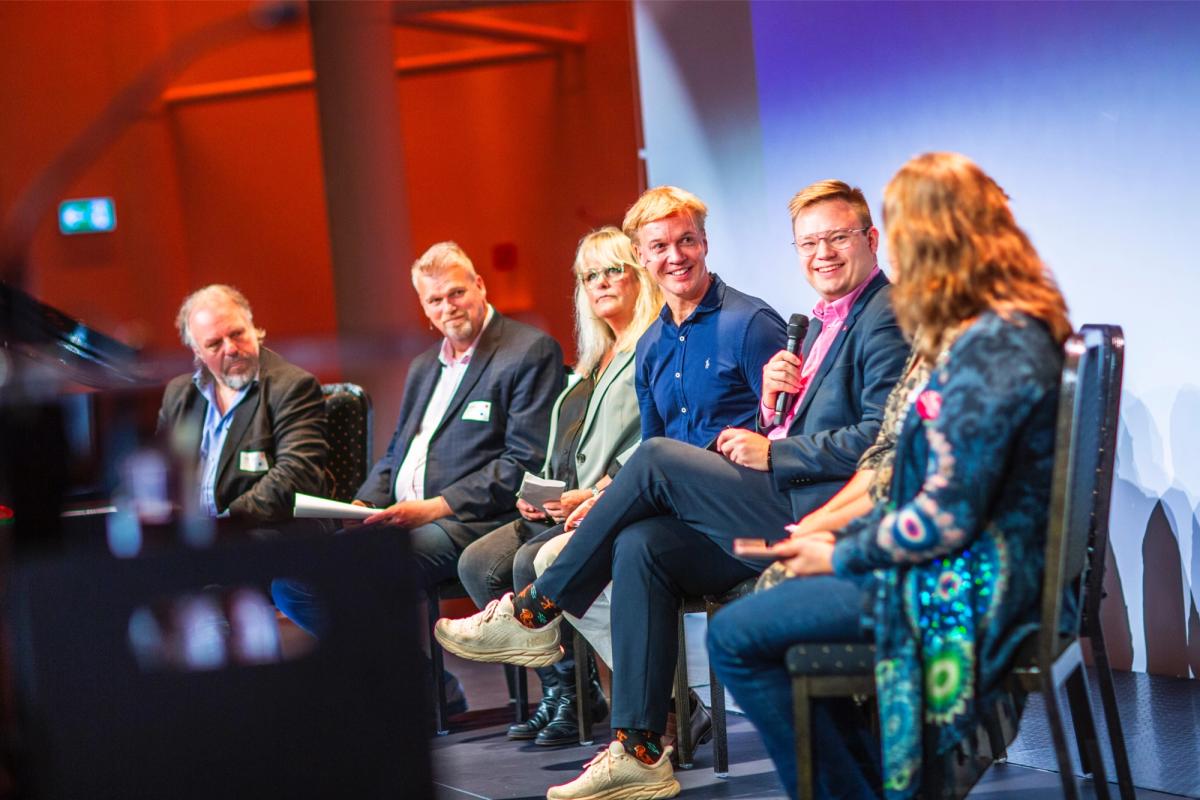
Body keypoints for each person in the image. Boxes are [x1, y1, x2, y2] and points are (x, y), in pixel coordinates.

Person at [435, 180, 909, 800]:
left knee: (654, 463)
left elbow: (883, 440)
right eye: (809, 242)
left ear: (871, 239)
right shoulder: (815, 323)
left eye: (837, 238)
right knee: (640, 546)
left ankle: (535, 612)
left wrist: (774, 447)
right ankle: (638, 750)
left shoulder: (868, 316)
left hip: (812, 513)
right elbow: (786, 425)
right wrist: (774, 414)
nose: (823, 253)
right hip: (764, 503)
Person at [706, 152, 1073, 799]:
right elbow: (898, 465)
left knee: (736, 633)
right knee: (762, 612)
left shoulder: (997, 342)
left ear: (933, 238)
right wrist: (823, 535)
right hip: (964, 563)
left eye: (897, 230)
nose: (891, 249)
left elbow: (948, 514)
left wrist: (840, 553)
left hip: (975, 584)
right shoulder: (983, 328)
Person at [271, 241, 563, 712]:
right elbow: (396, 454)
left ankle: (415, 694)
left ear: (479, 286)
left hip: (472, 522)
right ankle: (426, 684)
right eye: (435, 300)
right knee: (293, 581)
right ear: (424, 308)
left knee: (350, 575)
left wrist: (432, 508)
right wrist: (364, 505)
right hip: (404, 520)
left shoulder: (527, 350)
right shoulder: (425, 365)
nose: (448, 307)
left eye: (456, 293)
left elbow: (521, 462)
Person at [456, 226, 661, 746]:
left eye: (612, 270)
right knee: (478, 563)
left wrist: (598, 491)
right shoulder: (591, 360)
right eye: (589, 276)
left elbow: (658, 438)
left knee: (529, 563)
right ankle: (566, 690)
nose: (600, 283)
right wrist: (537, 494)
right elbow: (564, 447)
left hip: (614, 501)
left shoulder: (653, 346)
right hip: (563, 504)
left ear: (639, 276)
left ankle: (584, 697)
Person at [157, 284, 328, 525]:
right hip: (194, 535)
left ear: (253, 328)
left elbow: (296, 476)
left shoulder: (292, 386)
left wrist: (223, 527)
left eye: (237, 334)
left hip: (266, 530)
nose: (231, 349)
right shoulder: (179, 394)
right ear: (198, 352)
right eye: (214, 344)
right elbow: (160, 475)